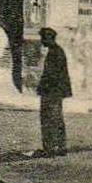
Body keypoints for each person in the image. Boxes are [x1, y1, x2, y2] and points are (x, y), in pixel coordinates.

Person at [36, 26, 72, 155]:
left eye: (43, 38)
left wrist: (42, 87)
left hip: (52, 92)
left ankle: (51, 148)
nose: (41, 41)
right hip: (53, 91)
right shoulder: (55, 51)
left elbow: (52, 75)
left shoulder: (55, 53)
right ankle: (58, 147)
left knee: (50, 118)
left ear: (48, 38)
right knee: (55, 118)